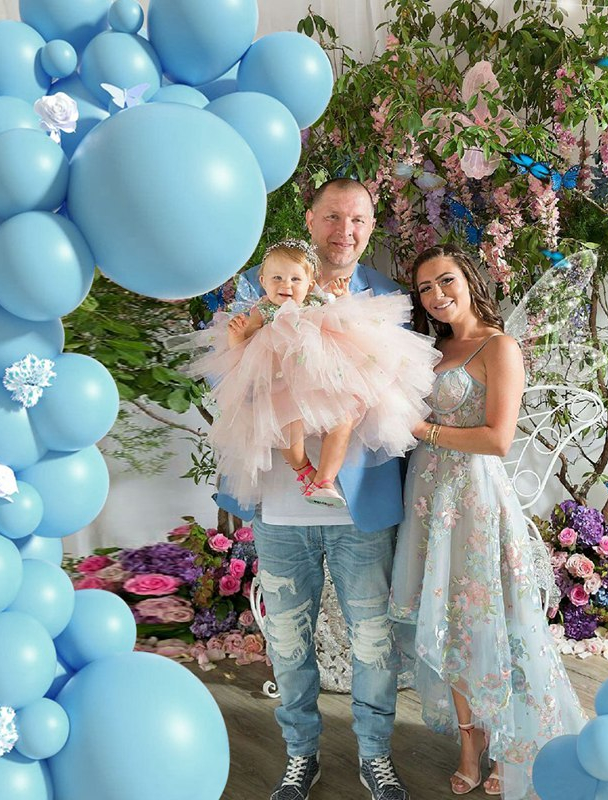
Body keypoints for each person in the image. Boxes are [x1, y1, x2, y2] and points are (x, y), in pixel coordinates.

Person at [218, 178, 421, 800]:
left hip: (359, 509)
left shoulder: (385, 295)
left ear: (371, 225)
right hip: (280, 507)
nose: (345, 230)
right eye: (333, 216)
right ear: (310, 220)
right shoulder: (261, 288)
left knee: (373, 642)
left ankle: (375, 756)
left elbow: (403, 399)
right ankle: (299, 755)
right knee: (287, 641)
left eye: (357, 219)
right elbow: (228, 382)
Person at [388, 244, 587, 799]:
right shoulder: (431, 350)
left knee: (495, 622)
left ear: (469, 279)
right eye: (425, 288)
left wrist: (423, 430)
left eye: (445, 280)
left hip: (475, 501)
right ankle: (470, 747)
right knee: (451, 625)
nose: (436, 295)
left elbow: (498, 440)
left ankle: (510, 743)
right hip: (428, 501)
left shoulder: (499, 347)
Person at [181, 237, 438, 510]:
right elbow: (241, 352)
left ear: (310, 282)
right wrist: (237, 335)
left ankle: (325, 479)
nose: (286, 285)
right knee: (286, 434)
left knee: (343, 421)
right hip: (280, 385)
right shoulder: (261, 311)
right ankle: (305, 472)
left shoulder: (318, 304)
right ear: (263, 281)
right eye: (277, 278)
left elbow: (347, 325)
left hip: (321, 383)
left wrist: (343, 299)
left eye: (295, 279)